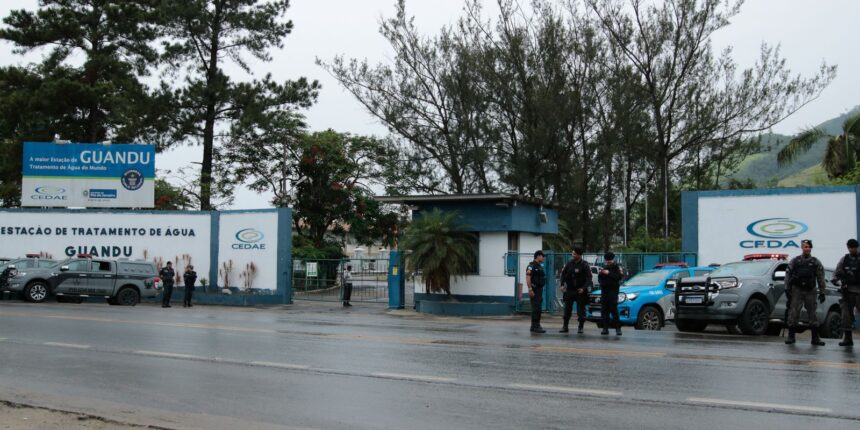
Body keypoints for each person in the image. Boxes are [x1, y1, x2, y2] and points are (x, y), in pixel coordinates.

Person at [784, 239, 827, 346]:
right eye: (805, 246)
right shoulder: (795, 261)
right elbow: (788, 274)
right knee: (793, 312)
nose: (806, 248)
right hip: (797, 290)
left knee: (812, 313)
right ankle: (791, 336)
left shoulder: (815, 262)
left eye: (808, 247)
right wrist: (786, 288)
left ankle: (815, 338)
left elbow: (820, 277)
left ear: (810, 248)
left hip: (810, 290)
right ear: (802, 248)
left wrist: (822, 291)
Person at [832, 238, 860, 347]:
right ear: (848, 248)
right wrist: (838, 282)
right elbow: (836, 273)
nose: (852, 249)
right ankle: (848, 339)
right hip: (847, 291)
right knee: (846, 315)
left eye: (854, 247)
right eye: (850, 247)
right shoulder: (844, 259)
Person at [559, 247, 592, 334]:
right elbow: (563, 274)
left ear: (579, 255)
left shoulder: (584, 265)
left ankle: (580, 327)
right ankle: (565, 326)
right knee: (567, 309)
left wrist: (583, 288)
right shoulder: (569, 264)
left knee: (581, 311)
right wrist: (562, 285)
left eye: (574, 254)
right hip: (570, 290)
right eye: (572, 253)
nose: (572, 255)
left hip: (580, 291)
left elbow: (589, 278)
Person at [598, 252, 624, 336]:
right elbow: (600, 279)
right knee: (604, 310)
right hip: (605, 291)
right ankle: (605, 328)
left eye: (610, 260)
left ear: (613, 259)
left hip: (613, 291)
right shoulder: (604, 267)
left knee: (614, 310)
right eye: (607, 260)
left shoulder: (617, 267)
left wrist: (608, 273)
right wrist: (601, 274)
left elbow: (618, 277)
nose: (608, 261)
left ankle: (618, 328)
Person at [526, 250, 547, 333]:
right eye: (542, 256)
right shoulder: (531, 266)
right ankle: (536, 326)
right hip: (534, 289)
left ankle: (533, 326)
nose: (543, 258)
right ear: (538, 256)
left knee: (537, 308)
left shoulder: (539, 266)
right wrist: (530, 289)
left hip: (539, 289)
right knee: (536, 308)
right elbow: (528, 278)